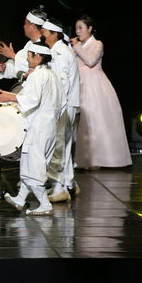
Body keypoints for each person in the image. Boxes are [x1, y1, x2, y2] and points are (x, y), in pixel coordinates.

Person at [0, 42, 62, 215]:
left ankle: (45, 205)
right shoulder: (52, 75)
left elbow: (31, 99)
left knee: (33, 167)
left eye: (29, 55)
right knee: (30, 164)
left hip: (38, 129)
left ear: (38, 57)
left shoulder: (39, 76)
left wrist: (10, 97)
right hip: (49, 128)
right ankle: (20, 199)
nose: (27, 58)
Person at [70, 15, 131, 169]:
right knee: (82, 123)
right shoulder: (76, 46)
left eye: (81, 28)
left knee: (96, 120)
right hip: (79, 84)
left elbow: (90, 61)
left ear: (90, 29)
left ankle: (101, 159)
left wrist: (77, 48)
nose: (78, 31)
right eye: (76, 28)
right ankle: (85, 159)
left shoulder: (97, 44)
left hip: (95, 85)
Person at [41, 18, 81, 202]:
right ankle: (69, 183)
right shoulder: (59, 50)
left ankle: (59, 188)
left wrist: (56, 106)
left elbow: (62, 82)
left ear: (54, 34)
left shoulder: (60, 52)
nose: (42, 34)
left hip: (63, 104)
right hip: (67, 103)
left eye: (45, 32)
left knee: (59, 145)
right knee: (64, 145)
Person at [0, 6, 48, 81]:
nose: (24, 26)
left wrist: (12, 55)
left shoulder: (44, 45)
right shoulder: (29, 44)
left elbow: (34, 68)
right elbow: (19, 66)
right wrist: (5, 67)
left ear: (32, 26)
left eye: (25, 24)